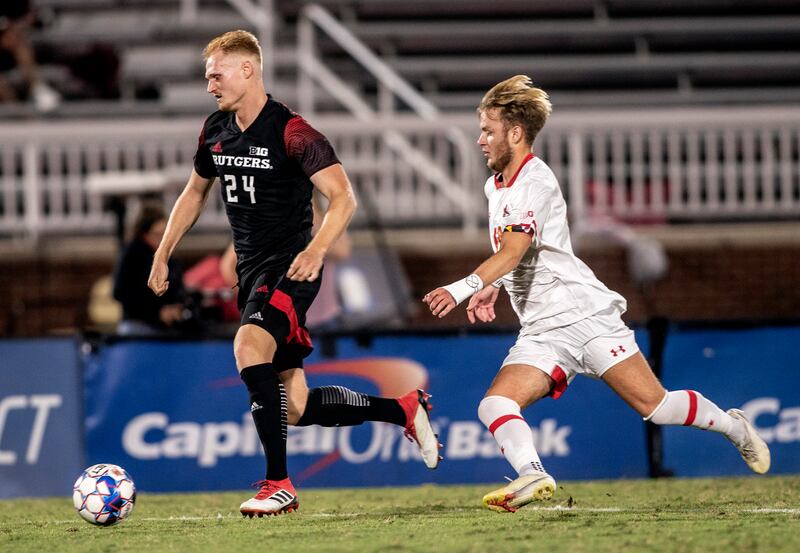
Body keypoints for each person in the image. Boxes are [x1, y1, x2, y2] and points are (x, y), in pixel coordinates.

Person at [423, 75, 770, 513]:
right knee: (494, 404)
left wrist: (462, 287)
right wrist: (492, 284)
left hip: (583, 316)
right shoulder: (496, 186)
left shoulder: (536, 180)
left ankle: (736, 428)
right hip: (542, 329)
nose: (480, 140)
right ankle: (533, 473)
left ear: (515, 133)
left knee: (657, 407)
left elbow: (512, 250)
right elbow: (518, 254)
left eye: (488, 130)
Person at [147, 30, 440, 517]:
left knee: (247, 347)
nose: (210, 84)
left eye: (216, 74)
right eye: (206, 77)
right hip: (253, 273)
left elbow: (343, 197)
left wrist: (318, 248)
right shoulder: (215, 129)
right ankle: (404, 409)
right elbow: (194, 192)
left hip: (290, 270)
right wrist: (163, 252)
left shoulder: (292, 130)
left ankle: (278, 483)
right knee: (297, 407)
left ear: (248, 69)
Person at [113, 203, 186, 335]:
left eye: (164, 236)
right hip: (138, 323)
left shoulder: (169, 257)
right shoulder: (133, 253)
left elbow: (177, 288)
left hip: (165, 327)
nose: (160, 240)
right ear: (144, 233)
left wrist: (176, 308)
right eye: (156, 235)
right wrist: (157, 313)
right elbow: (120, 292)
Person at [0, 0, 60, 112]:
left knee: (19, 44)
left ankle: (39, 89)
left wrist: (14, 30)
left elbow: (30, 16)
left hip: (17, 41)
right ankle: (16, 113)